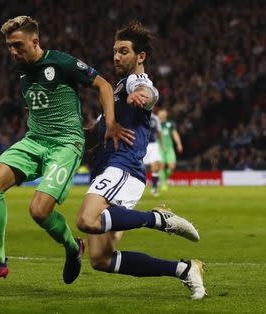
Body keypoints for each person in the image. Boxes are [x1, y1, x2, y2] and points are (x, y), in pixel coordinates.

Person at [0, 16, 133, 284]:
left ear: (35, 41)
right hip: (34, 140)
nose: (12, 51)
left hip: (65, 144)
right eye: (9, 45)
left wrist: (109, 122)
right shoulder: (19, 67)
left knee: (39, 211)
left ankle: (72, 246)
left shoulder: (61, 62)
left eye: (18, 45)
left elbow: (102, 84)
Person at [76, 21, 206, 300]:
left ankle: (159, 219)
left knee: (87, 219)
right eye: (114, 51)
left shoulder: (137, 83)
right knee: (101, 259)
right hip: (107, 170)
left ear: (141, 56)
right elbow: (95, 134)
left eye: (123, 51)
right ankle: (184, 270)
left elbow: (149, 92)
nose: (116, 56)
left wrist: (144, 95)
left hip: (122, 167)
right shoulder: (120, 89)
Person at [158, 109, 183, 191]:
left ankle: (165, 177)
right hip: (159, 148)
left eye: (162, 115)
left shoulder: (170, 124)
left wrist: (179, 144)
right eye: (160, 115)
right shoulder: (156, 124)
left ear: (165, 116)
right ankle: (163, 183)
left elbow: (175, 134)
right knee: (161, 166)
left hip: (169, 148)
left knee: (172, 166)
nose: (161, 116)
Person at [142, 112, 163, 196]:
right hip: (142, 144)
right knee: (140, 166)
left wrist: (161, 144)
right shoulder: (139, 114)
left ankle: (154, 188)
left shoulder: (155, 118)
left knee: (156, 165)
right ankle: (139, 187)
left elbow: (159, 131)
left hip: (154, 144)